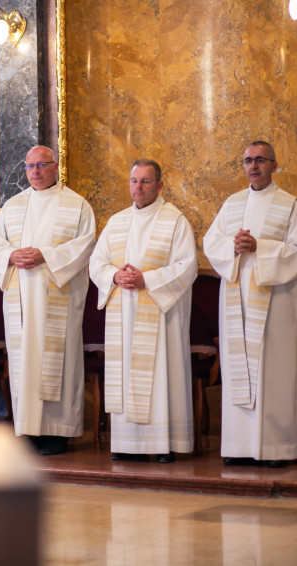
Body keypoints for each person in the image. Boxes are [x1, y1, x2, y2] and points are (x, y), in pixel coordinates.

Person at [0, 145, 96, 455]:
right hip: (21, 299)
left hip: (58, 296)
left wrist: (46, 255)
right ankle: (30, 430)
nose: (35, 171)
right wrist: (10, 255)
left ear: (55, 167)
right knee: (25, 362)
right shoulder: (13, 206)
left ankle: (58, 434)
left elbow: (85, 245)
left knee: (58, 361)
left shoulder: (77, 205)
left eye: (42, 165)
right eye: (30, 166)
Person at [203, 141, 297, 468]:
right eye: (248, 160)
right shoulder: (232, 204)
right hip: (237, 302)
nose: (253, 166)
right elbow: (211, 242)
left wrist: (259, 247)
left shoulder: (289, 206)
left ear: (274, 165)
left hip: (275, 304)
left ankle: (277, 448)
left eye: (260, 160)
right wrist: (232, 247)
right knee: (240, 370)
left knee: (273, 371)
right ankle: (238, 447)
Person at [89, 159, 197, 463]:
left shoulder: (175, 221)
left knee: (160, 374)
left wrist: (146, 280)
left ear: (159, 185)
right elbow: (96, 262)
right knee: (125, 374)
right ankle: (127, 444)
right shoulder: (117, 221)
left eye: (145, 181)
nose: (138, 187)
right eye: (133, 181)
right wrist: (114, 276)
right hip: (123, 312)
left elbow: (186, 266)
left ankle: (164, 443)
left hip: (160, 316)